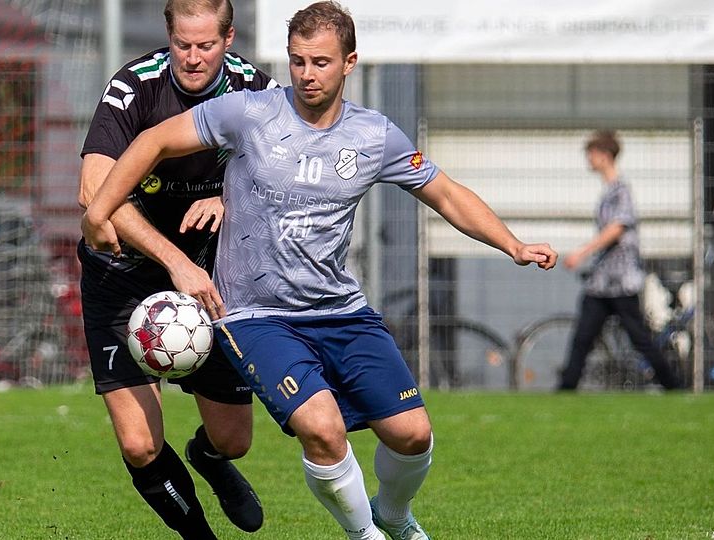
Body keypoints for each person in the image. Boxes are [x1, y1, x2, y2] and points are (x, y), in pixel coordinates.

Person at [81, 2, 557, 538]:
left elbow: (445, 193)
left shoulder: (374, 136)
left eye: (321, 62)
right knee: (320, 428)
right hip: (250, 312)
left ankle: (393, 516)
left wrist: (511, 244)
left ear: (349, 62)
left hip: (339, 309)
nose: (307, 74)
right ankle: (362, 534)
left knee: (412, 434)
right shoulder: (250, 111)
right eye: (298, 61)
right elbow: (155, 140)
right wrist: (99, 210)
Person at [77, 1, 277, 537]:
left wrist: (230, 202)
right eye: (182, 45)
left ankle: (209, 460)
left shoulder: (254, 89)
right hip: (122, 273)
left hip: (208, 271)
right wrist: (176, 262)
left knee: (235, 440)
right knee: (140, 443)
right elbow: (95, 191)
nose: (192, 57)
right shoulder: (134, 87)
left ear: (229, 38)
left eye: (205, 45)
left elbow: (284, 180)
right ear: (169, 37)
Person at [558, 130, 681, 391]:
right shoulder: (609, 191)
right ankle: (566, 387)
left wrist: (583, 252)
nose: (588, 160)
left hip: (621, 281)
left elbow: (617, 227)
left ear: (604, 156)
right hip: (603, 281)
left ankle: (672, 385)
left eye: (591, 154)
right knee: (583, 337)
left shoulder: (620, 191)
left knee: (639, 339)